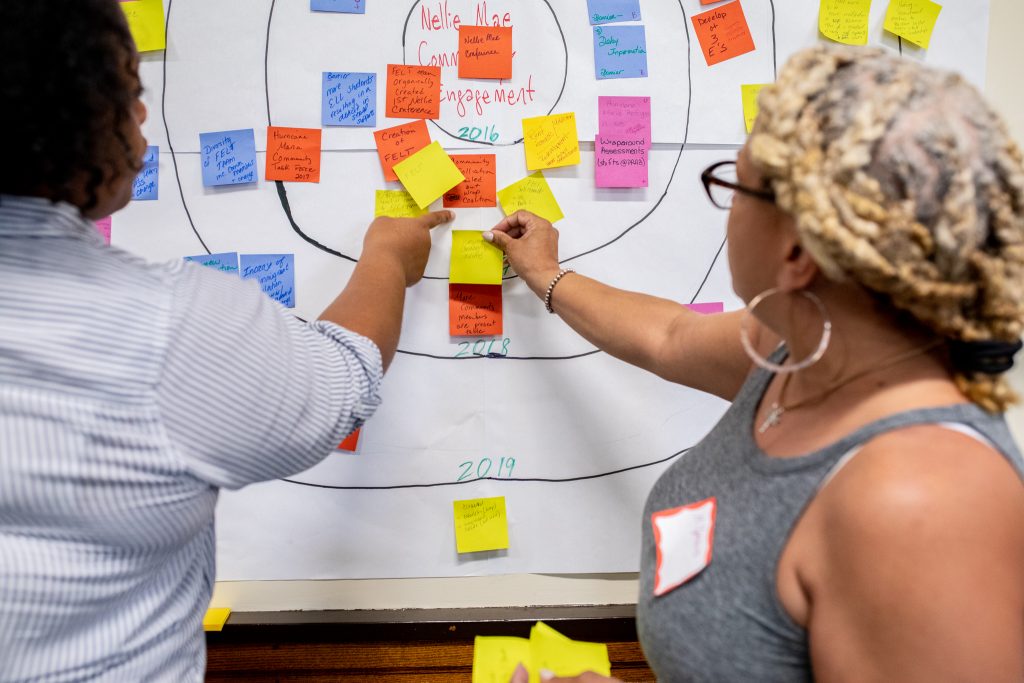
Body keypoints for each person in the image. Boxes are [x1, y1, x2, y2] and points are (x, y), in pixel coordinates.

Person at [501, 45, 1024, 682]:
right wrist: (546, 274)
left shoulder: (922, 500)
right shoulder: (798, 351)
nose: (727, 208)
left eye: (734, 184)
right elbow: (669, 336)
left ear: (797, 252)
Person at [0, 2, 452, 680]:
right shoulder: (167, 324)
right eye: (127, 89)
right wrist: (386, 259)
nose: (143, 113)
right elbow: (344, 376)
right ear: (74, 120)